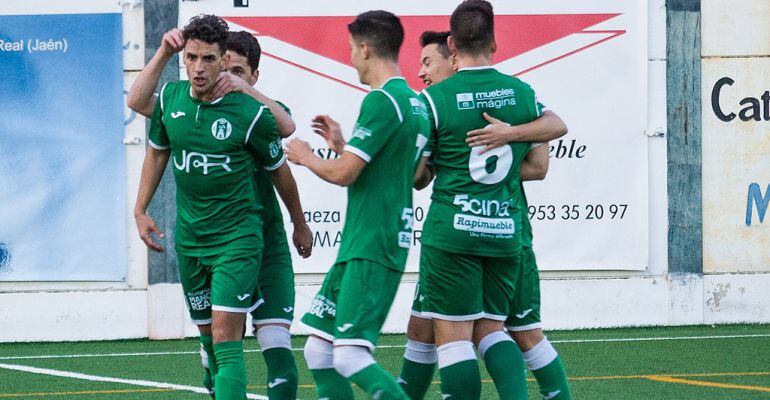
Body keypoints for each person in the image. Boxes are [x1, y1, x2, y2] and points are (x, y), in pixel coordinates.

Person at [128, 27, 310, 400]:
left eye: (234, 72)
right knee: (215, 347)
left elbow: (286, 130)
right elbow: (142, 110)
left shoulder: (257, 112)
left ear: (253, 77)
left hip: (256, 240)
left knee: (267, 349)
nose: (221, 77)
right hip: (198, 240)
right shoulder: (178, 101)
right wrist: (140, 208)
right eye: (199, 60)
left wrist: (299, 223)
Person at [398, 30, 571, 400]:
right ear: (491, 44)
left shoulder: (434, 102)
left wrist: (456, 166)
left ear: (453, 53)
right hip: (502, 227)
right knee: (436, 327)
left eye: (428, 62)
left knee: (478, 333)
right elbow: (545, 150)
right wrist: (510, 136)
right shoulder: (519, 95)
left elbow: (415, 176)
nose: (422, 72)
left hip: (457, 231)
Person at [284, 10, 429, 400]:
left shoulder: (382, 101)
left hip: (373, 242)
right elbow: (415, 175)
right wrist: (342, 146)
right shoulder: (414, 104)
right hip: (363, 242)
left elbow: (344, 174)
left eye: (351, 49)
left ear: (365, 49)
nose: (350, 58)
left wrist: (305, 156)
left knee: (348, 356)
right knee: (319, 350)